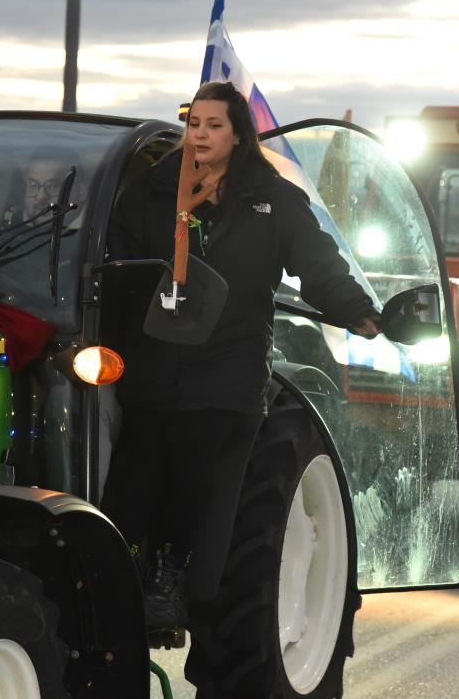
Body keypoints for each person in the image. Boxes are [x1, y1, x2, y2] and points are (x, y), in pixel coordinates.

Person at [100, 81, 381, 632]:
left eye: (214, 126)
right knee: (135, 480)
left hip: (227, 373)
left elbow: (317, 261)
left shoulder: (271, 199)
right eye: (194, 124)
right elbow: (117, 270)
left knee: (199, 482)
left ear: (237, 135)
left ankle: (174, 586)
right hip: (156, 365)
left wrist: (356, 309)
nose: (201, 135)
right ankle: (118, 584)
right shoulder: (153, 192)